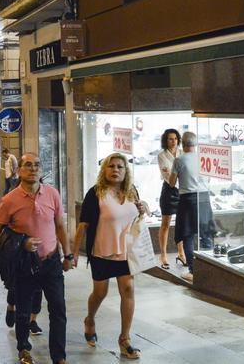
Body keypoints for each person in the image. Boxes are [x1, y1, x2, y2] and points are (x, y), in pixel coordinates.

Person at [0, 152, 72, 364]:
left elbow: (60, 226)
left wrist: (69, 254)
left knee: (58, 309)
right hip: (24, 264)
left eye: (37, 165)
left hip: (51, 261)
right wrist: (22, 241)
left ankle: (59, 356)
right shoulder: (9, 200)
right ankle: (23, 349)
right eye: (28, 165)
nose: (33, 168)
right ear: (19, 171)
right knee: (24, 310)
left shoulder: (52, 194)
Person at [71, 153, 143, 360]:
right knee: (100, 293)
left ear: (125, 171)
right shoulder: (95, 194)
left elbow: (137, 218)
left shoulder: (132, 191)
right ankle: (90, 320)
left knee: (128, 289)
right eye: (111, 166)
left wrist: (144, 210)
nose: (115, 170)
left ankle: (125, 339)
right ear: (104, 170)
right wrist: (74, 253)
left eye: (120, 167)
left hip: (126, 252)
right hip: (102, 251)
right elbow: (83, 225)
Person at [167, 131, 208, 282]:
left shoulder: (179, 160)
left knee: (187, 235)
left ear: (182, 144)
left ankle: (193, 270)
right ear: (195, 144)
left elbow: (171, 183)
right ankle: (210, 269)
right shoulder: (202, 157)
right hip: (204, 197)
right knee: (205, 233)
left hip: (187, 198)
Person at [157, 129, 186, 269]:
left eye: (175, 138)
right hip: (169, 191)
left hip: (182, 190)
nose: (173, 141)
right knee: (166, 223)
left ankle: (181, 253)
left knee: (181, 223)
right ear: (165, 140)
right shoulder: (162, 155)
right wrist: (177, 175)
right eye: (170, 139)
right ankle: (163, 255)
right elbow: (169, 177)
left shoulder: (182, 153)